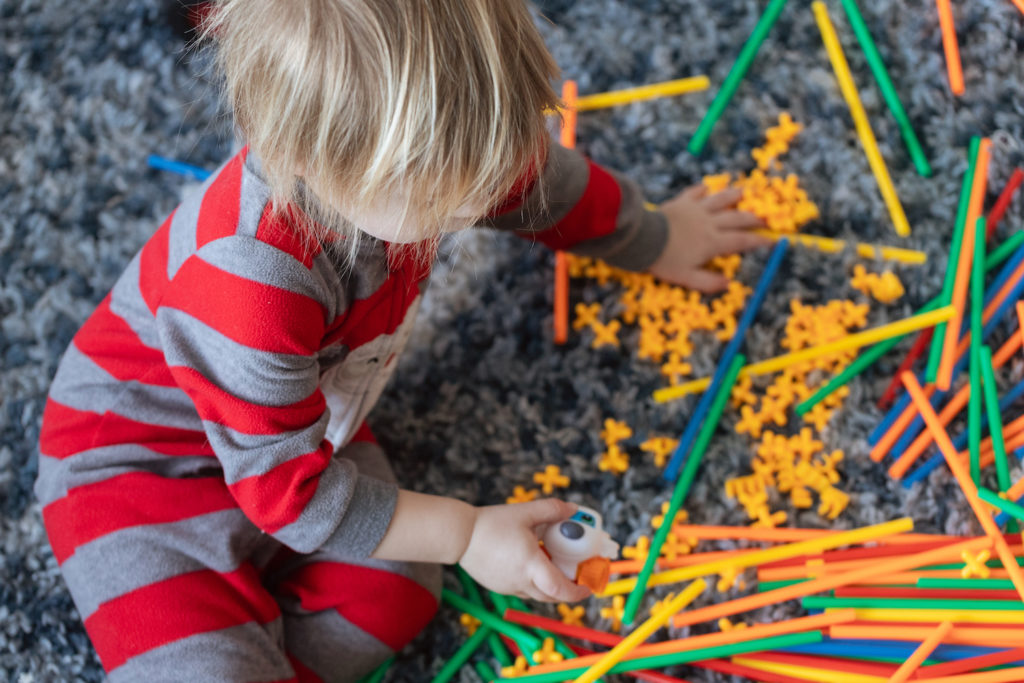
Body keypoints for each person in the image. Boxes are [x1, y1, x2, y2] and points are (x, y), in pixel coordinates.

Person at [36, 1, 767, 680]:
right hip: (141, 475)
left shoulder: (416, 157)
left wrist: (656, 235)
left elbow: (538, 184)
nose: (483, 202)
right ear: (317, 165)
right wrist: (467, 533)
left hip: (305, 428)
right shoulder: (249, 285)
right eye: (451, 200)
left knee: (400, 591)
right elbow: (289, 497)